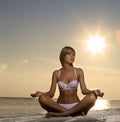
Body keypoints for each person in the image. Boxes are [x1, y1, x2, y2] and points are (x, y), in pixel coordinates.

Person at [31, 46, 104, 117]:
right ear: (63, 56)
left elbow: (84, 90)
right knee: (42, 98)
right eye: (69, 54)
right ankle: (71, 113)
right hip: (60, 106)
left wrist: (95, 91)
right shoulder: (56, 73)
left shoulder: (78, 71)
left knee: (92, 96)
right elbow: (51, 93)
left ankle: (63, 114)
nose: (72, 57)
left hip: (76, 105)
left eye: (73, 55)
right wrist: (41, 93)